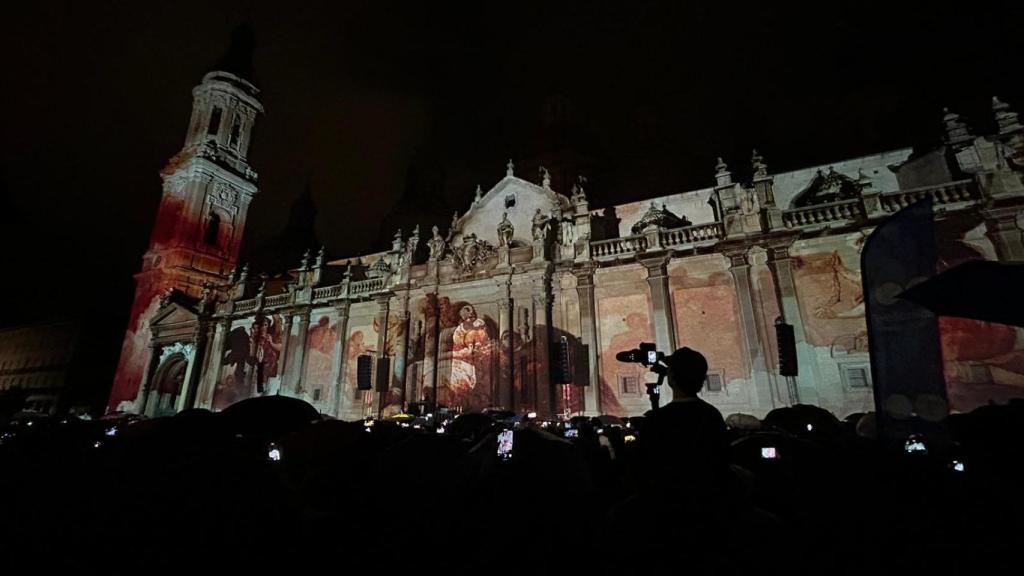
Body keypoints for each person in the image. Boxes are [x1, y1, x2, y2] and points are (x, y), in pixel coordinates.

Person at [634, 346, 729, 492]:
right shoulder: (712, 415)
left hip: (668, 500)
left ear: (671, 377)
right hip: (709, 496)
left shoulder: (656, 420)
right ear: (702, 379)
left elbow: (643, 466)